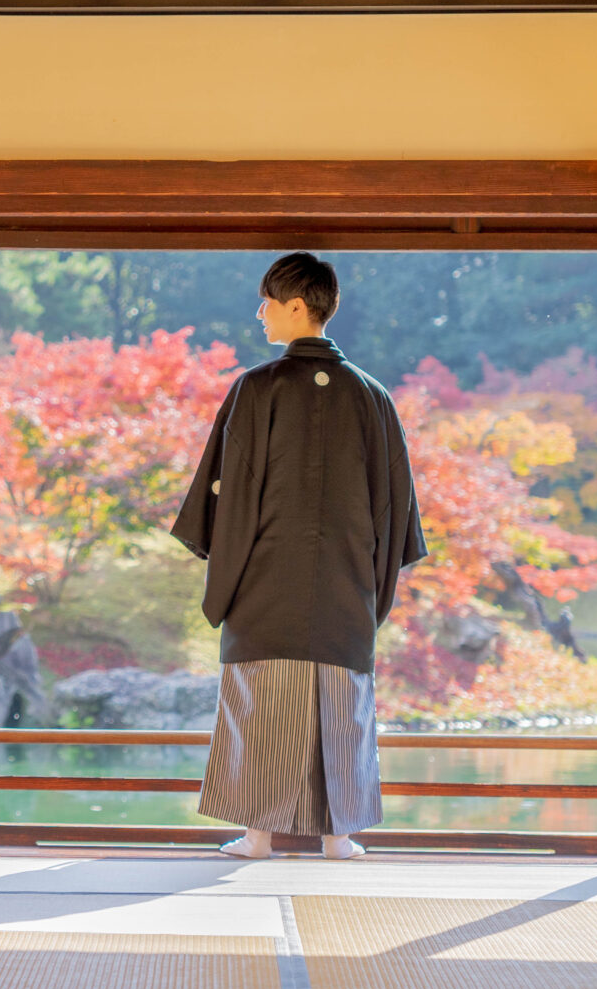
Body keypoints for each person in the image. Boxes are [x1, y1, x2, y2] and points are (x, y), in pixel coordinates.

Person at [172, 253, 426, 860]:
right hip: (346, 585)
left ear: (295, 306)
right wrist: (372, 579)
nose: (259, 314)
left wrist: (223, 563)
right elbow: (394, 505)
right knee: (343, 710)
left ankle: (257, 836)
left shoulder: (257, 388)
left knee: (260, 705)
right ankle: (340, 837)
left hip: (264, 582)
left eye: (266, 302)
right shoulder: (371, 395)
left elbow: (228, 492)